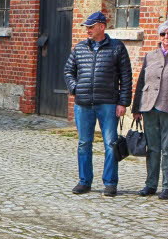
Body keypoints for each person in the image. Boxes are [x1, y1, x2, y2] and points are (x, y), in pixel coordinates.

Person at [64, 11, 132, 197]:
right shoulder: (80, 48)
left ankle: (110, 183)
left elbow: (126, 77)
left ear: (102, 26)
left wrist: (123, 102)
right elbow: (68, 71)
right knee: (84, 143)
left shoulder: (117, 48)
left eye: (91, 26)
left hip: (108, 104)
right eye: (87, 27)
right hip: (83, 104)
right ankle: (84, 181)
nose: (88, 30)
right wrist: (75, 88)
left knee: (110, 143)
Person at [132, 20, 168, 200]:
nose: (166, 37)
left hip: (166, 107)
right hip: (149, 107)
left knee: (167, 148)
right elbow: (141, 83)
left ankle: (167, 186)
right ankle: (150, 184)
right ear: (159, 37)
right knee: (152, 148)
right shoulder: (150, 56)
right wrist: (136, 108)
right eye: (163, 34)